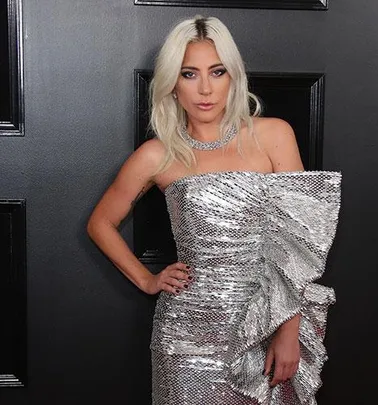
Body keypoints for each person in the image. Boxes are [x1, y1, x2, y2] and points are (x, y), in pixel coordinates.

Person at [87, 15, 341, 405]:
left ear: (233, 77)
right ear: (172, 83)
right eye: (189, 74)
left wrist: (288, 329)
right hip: (185, 338)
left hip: (263, 325)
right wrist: (147, 280)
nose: (205, 89)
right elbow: (101, 223)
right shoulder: (157, 155)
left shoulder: (273, 135)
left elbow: (297, 243)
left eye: (217, 72)